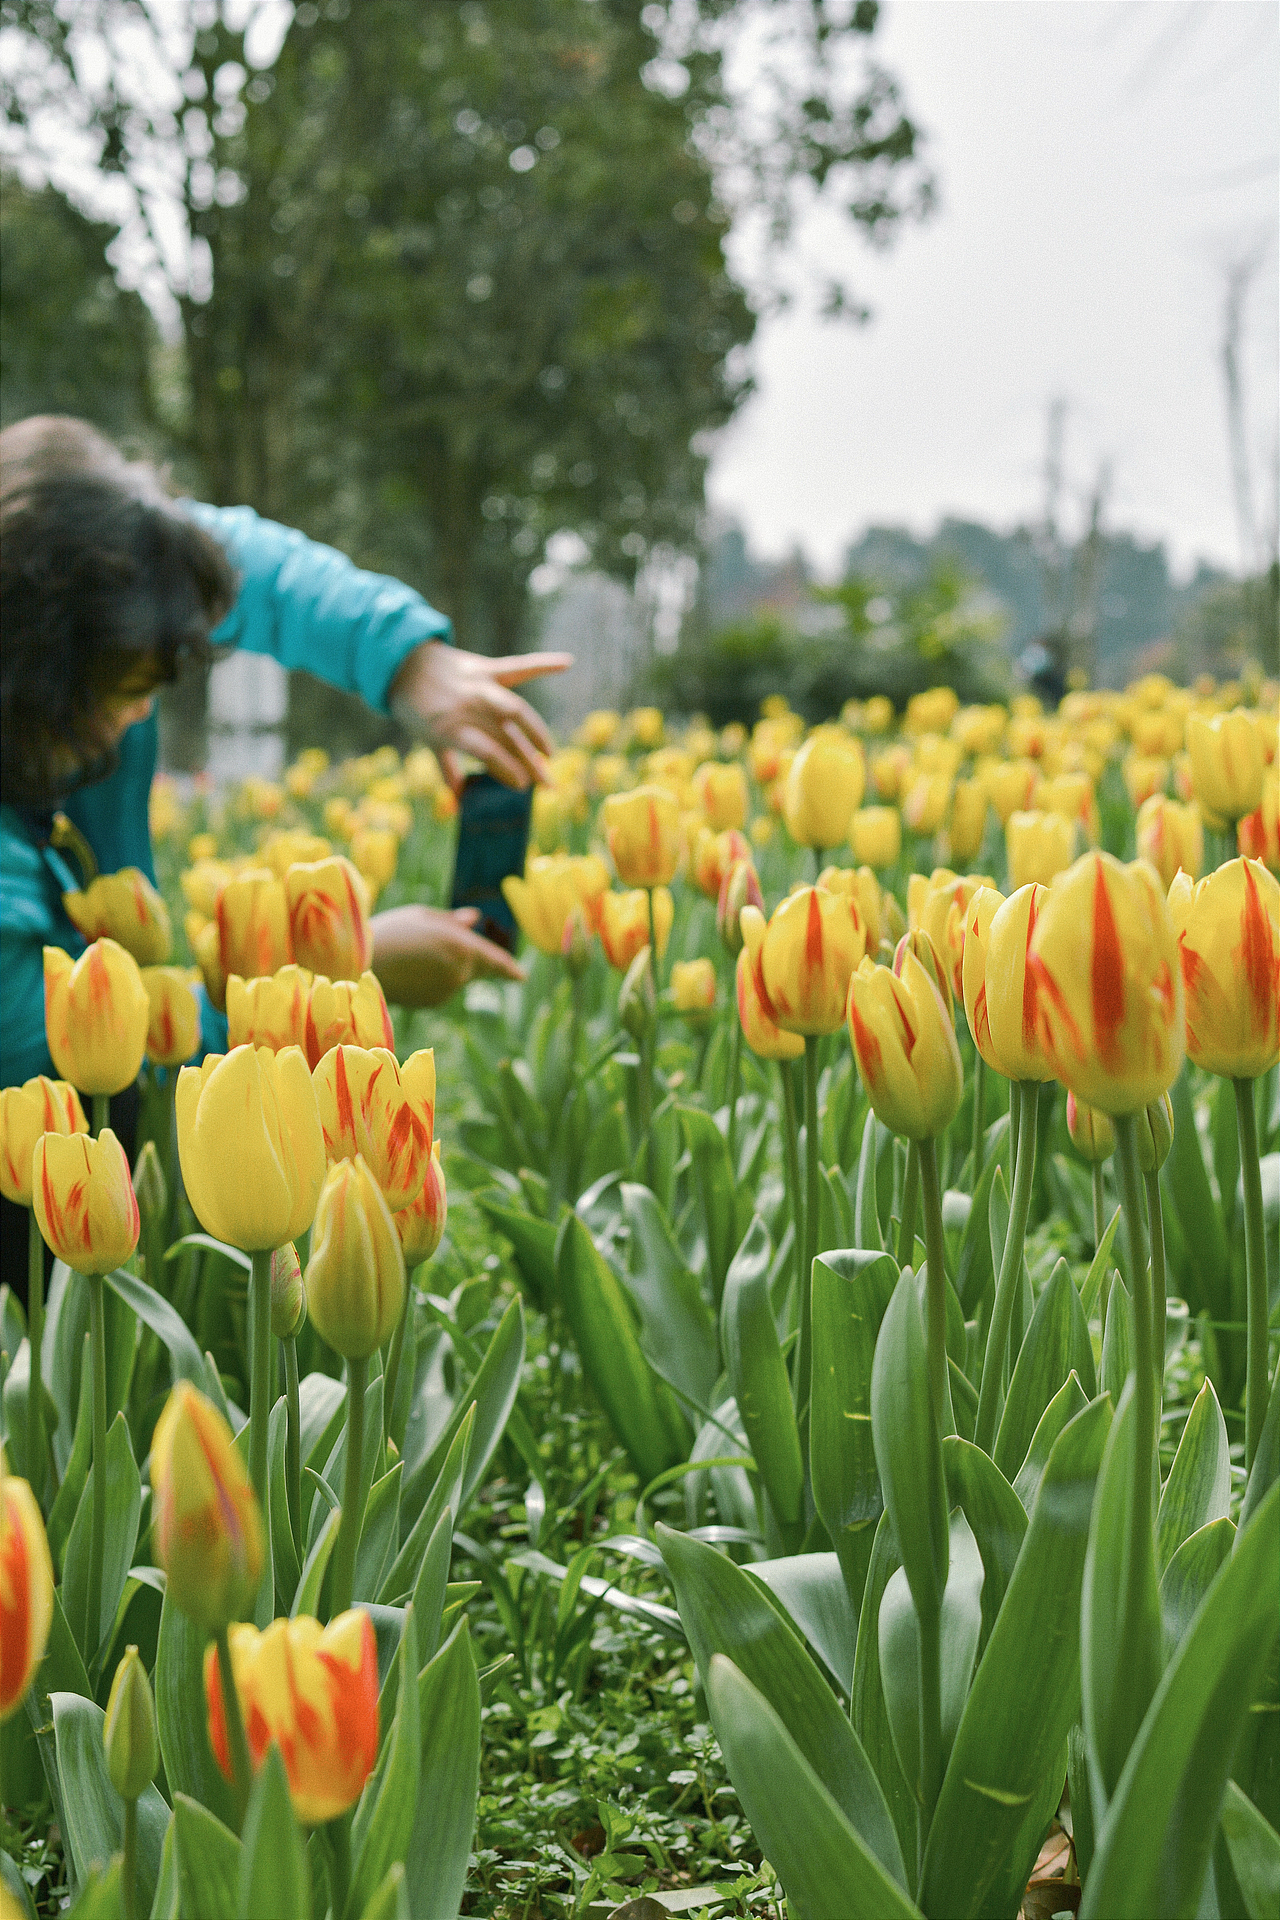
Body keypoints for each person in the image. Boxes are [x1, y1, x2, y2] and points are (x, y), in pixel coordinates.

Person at [0, 414, 573, 1081]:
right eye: (128, 691)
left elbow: (251, 568)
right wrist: (342, 972)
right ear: (40, 680)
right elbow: (55, 1062)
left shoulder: (84, 587)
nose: (144, 713)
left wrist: (409, 663)